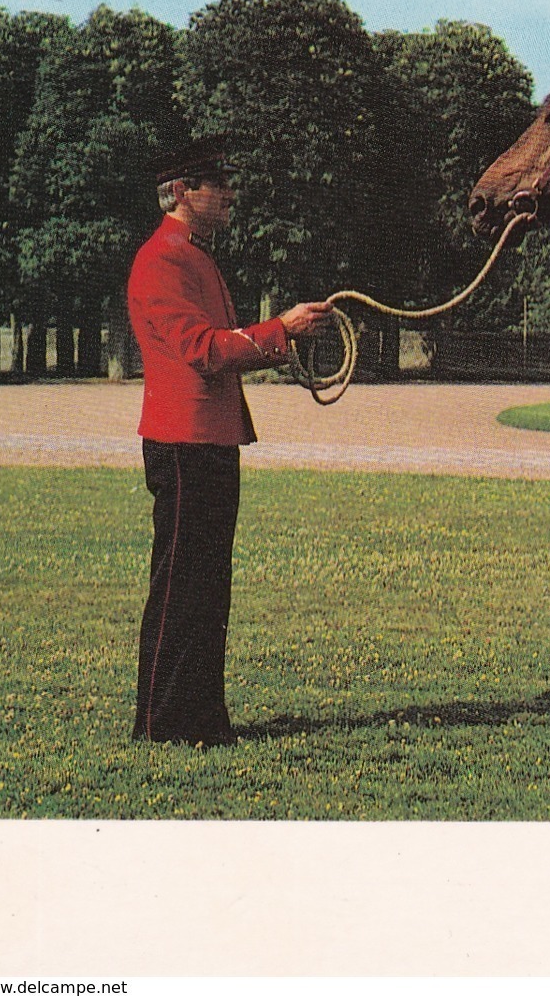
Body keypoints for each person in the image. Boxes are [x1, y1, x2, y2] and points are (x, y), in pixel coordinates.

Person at [127, 134, 333, 746]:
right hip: (184, 443)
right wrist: (280, 329)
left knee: (206, 586)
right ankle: (163, 725)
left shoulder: (191, 254)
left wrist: (281, 339)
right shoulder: (164, 259)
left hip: (206, 441)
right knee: (183, 587)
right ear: (185, 192)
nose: (230, 195)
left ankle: (197, 721)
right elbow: (203, 350)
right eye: (220, 185)